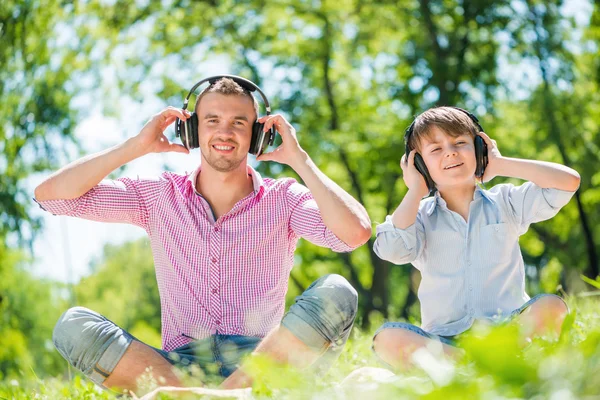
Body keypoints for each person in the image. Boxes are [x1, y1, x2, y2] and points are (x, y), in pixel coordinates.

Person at [34, 76, 372, 392]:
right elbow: (52, 197)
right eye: (212, 121)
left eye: (239, 123)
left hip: (264, 361)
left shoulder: (285, 198)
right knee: (73, 326)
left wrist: (301, 161)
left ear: (258, 135)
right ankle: (222, 397)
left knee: (337, 292)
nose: (225, 132)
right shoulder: (157, 196)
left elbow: (354, 233)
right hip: (177, 368)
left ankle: (217, 396)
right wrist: (135, 147)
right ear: (192, 131)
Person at [372, 106, 580, 370]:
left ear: (480, 150)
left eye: (460, 143)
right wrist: (415, 189)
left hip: (507, 332)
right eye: (435, 149)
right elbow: (391, 249)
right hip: (443, 341)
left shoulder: (506, 202)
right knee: (388, 338)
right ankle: (479, 364)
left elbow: (568, 182)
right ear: (420, 165)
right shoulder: (418, 217)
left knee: (551, 305)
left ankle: (477, 363)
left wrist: (501, 164)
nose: (450, 152)